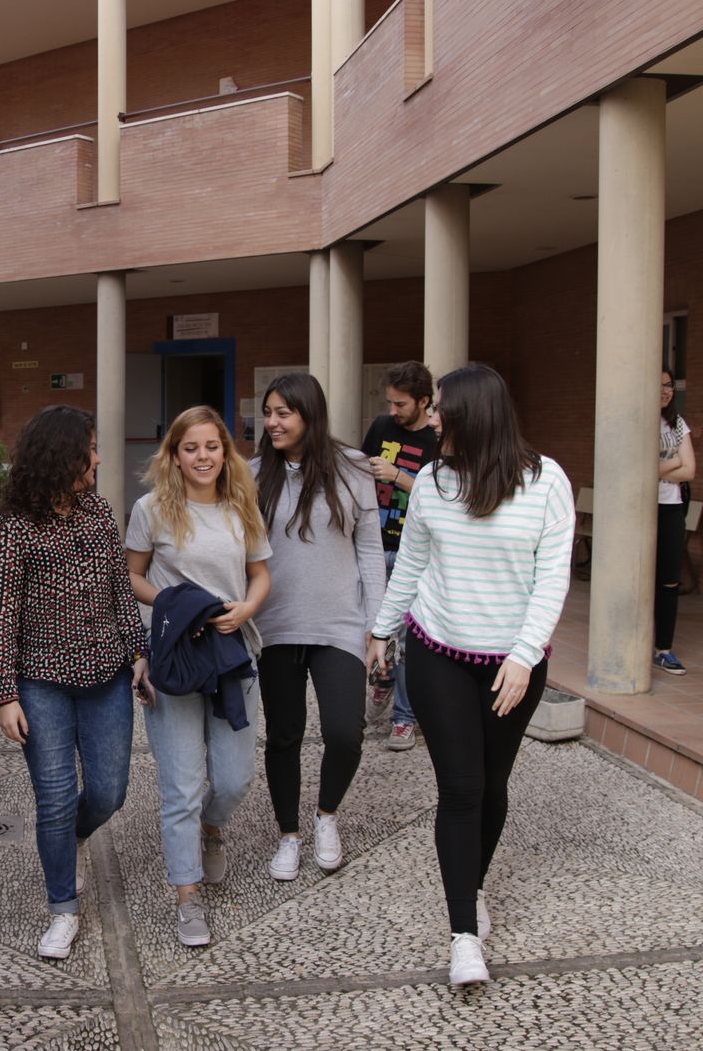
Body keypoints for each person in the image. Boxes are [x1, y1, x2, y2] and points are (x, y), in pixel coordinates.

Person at [365, 363, 574, 988]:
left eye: (441, 410)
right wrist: (381, 629)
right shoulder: (433, 482)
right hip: (439, 654)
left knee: (491, 784)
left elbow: (552, 577)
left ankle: (474, 884)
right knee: (460, 788)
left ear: (473, 416)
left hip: (512, 665)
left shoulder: (545, 481)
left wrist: (524, 655)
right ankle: (464, 936)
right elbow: (412, 564)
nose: (431, 419)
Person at [0, 405, 152, 961]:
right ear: (62, 456)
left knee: (109, 793)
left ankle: (71, 837)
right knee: (54, 799)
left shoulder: (99, 512)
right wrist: (5, 693)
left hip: (105, 674)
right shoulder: (13, 527)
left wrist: (137, 652)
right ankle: (62, 907)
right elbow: (1, 613)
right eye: (91, 450)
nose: (98, 459)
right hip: (41, 683)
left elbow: (119, 589)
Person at [126, 406, 271, 947]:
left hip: (234, 653)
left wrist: (247, 607)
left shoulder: (241, 505)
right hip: (176, 658)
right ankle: (187, 896)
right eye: (191, 448)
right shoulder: (151, 509)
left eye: (212, 447)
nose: (202, 457)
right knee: (181, 786)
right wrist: (175, 606)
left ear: (225, 452)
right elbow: (131, 575)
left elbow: (260, 574)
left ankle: (213, 827)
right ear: (175, 455)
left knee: (234, 779)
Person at [251, 373, 387, 880]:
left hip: (340, 624)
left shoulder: (353, 467)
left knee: (345, 733)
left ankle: (326, 815)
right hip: (275, 626)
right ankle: (288, 834)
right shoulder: (252, 473)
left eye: (283, 413)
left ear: (310, 414)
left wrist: (378, 625)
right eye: (268, 413)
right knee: (284, 736)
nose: (272, 422)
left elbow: (369, 548)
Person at [362, 360, 440, 752]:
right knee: (372, 628)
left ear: (424, 401)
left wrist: (398, 477)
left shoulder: (438, 440)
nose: (392, 411)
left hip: (414, 553)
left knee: (410, 638)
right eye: (390, 403)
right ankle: (384, 677)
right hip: (374, 547)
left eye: (401, 404)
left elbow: (441, 496)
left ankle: (404, 718)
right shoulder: (381, 427)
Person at [654, 367, 695, 675]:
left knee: (669, 580)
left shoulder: (678, 424)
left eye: (668, 385)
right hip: (642, 510)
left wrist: (660, 466)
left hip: (671, 508)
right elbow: (641, 466)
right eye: (659, 386)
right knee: (641, 579)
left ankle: (664, 649)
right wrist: (676, 461)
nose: (665, 391)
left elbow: (690, 470)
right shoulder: (639, 421)